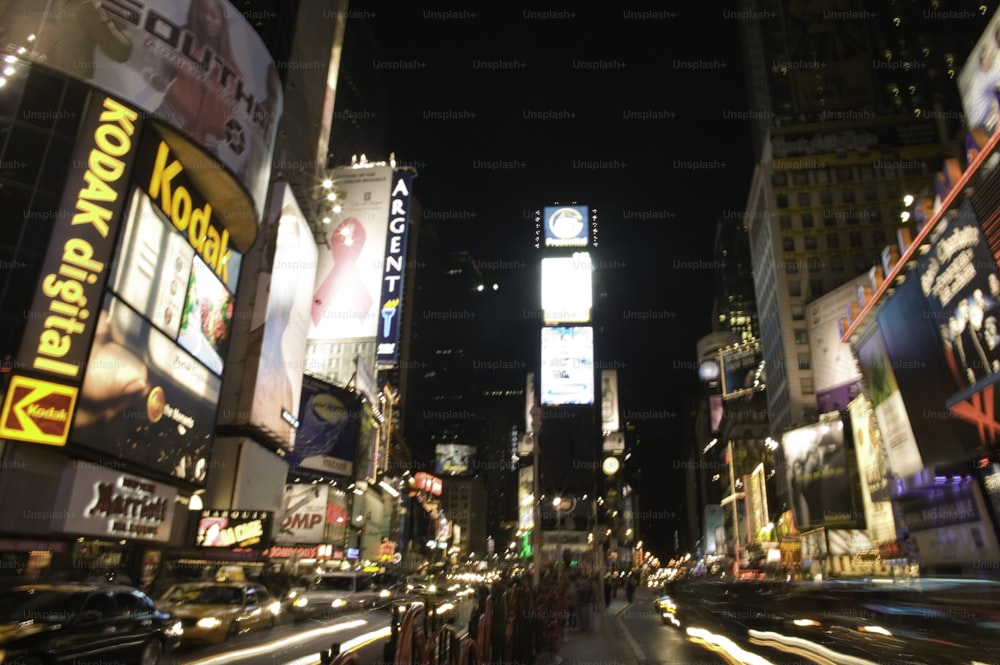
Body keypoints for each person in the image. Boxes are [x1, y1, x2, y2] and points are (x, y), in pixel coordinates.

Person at [143, 0, 242, 146]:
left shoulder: (233, 72)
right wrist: (160, 81)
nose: (208, 19)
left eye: (213, 14)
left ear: (222, 17)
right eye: (202, 11)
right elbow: (152, 68)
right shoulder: (182, 38)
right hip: (168, 116)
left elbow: (226, 118)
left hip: (204, 144)